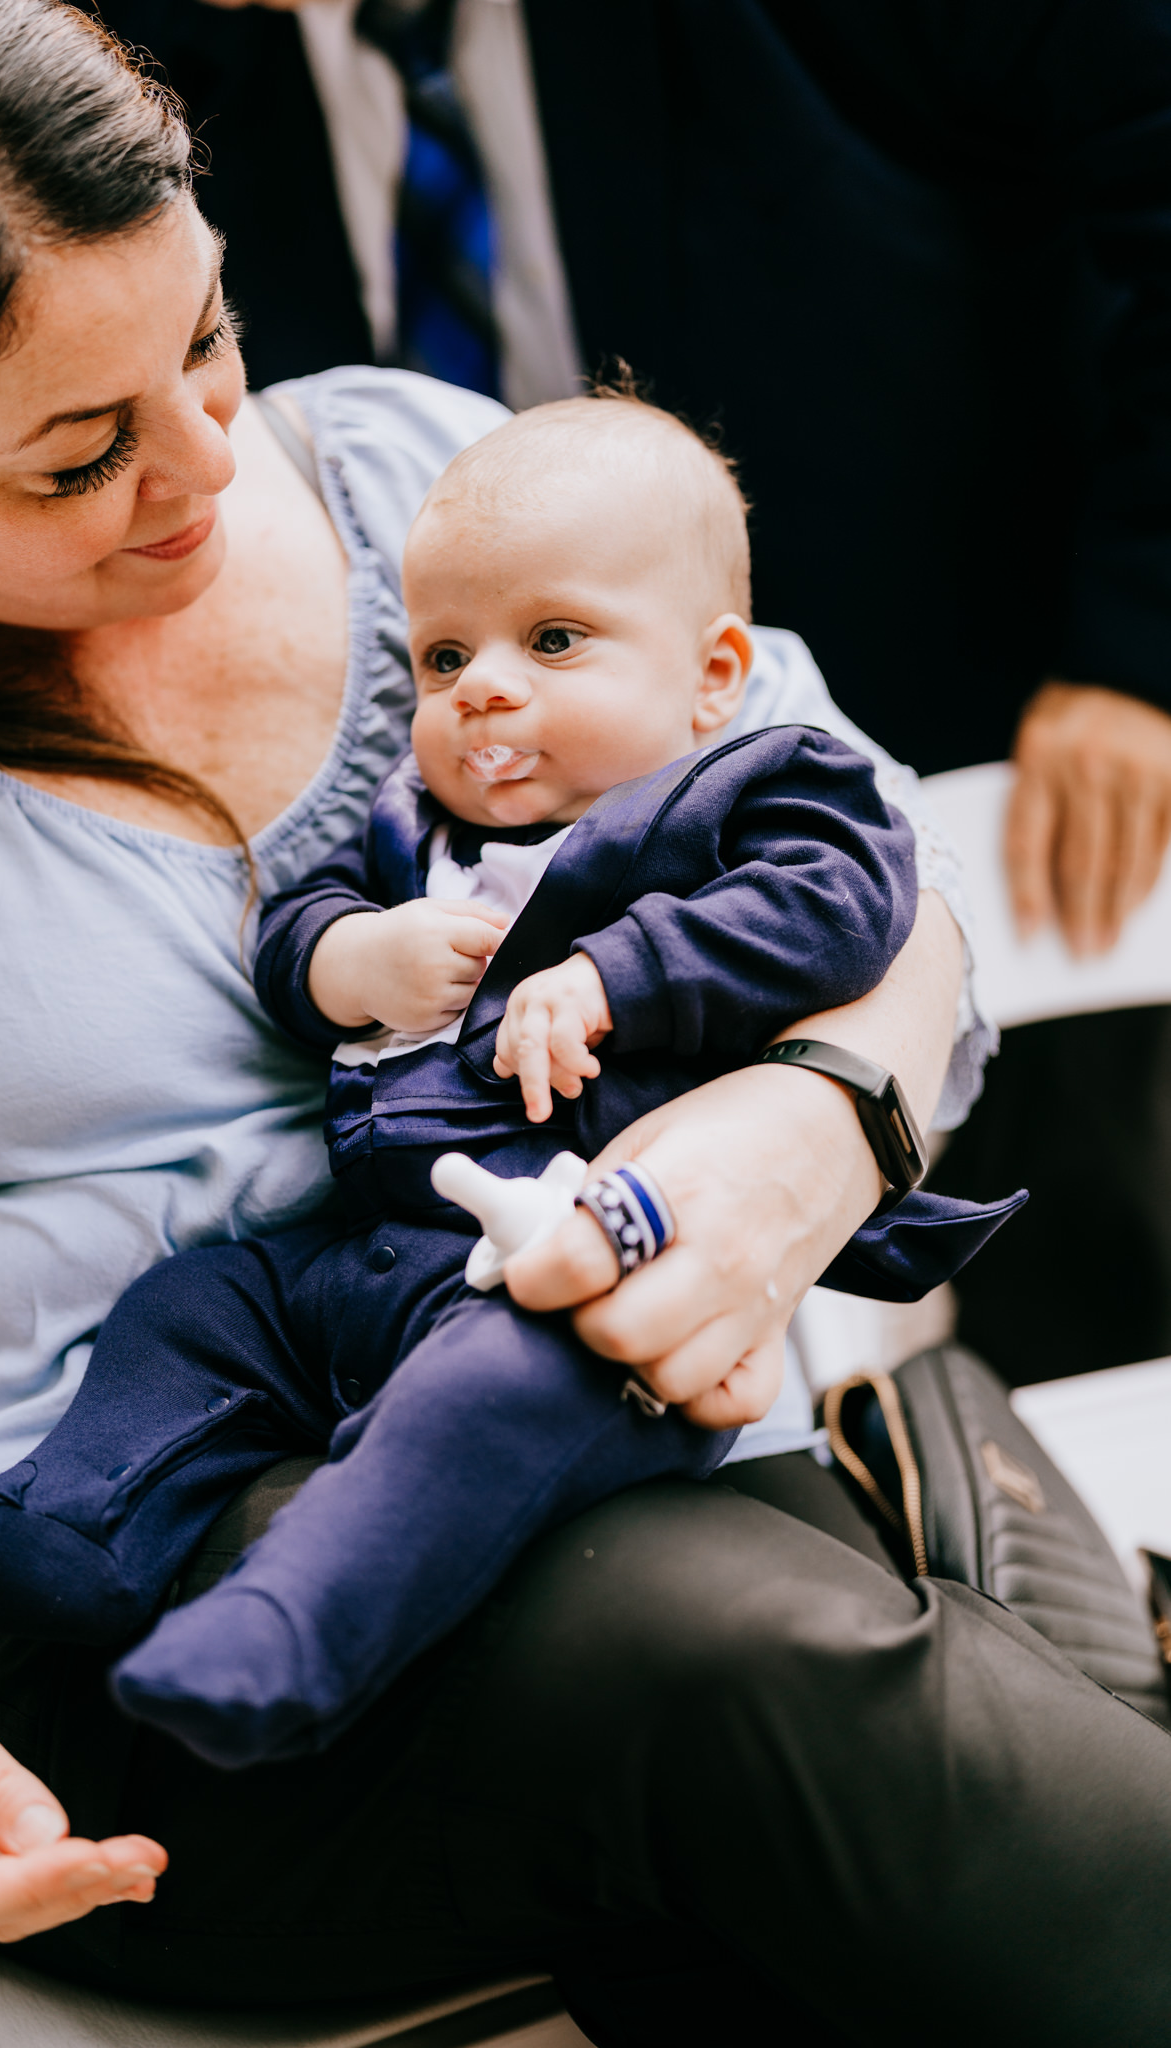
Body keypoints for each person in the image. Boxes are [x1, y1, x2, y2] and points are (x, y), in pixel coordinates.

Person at [0, 8, 1169, 2044]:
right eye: (79, 451)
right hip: (123, 1601)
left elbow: (868, 861)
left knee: (785, 1878)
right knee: (730, 1673)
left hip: (645, 1449)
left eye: (204, 338)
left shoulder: (413, 471)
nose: (202, 464)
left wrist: (823, 1119)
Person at [0, 394, 1009, 1765]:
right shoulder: (419, 823)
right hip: (361, 1254)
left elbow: (840, 907)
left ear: (711, 674)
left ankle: (300, 1623)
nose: (481, 688)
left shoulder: (744, 793)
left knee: (482, 1405)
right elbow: (296, 932)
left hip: (561, 1263)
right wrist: (351, 957)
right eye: (443, 655)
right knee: (194, 1310)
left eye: (554, 641)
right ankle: (71, 1522)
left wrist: (617, 976)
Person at [105, 0, 1171, 1383]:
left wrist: (1139, 645)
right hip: (512, 914)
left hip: (974, 696)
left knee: (1083, 1276)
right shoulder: (140, 57)